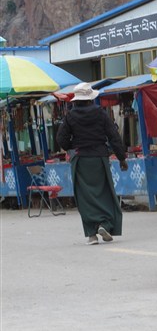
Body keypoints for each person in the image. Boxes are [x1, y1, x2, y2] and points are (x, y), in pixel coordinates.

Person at [56, 82, 128, 245]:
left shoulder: (70, 116)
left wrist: (72, 147)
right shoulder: (101, 113)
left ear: (76, 100)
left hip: (80, 160)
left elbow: (61, 139)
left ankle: (91, 234)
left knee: (85, 197)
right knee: (105, 192)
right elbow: (113, 136)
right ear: (90, 99)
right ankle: (105, 224)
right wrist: (122, 158)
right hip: (99, 158)